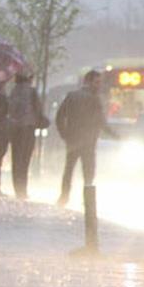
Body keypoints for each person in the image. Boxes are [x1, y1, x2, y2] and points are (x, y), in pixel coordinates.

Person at [55, 70, 117, 207]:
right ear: (88, 82)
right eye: (97, 82)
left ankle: (64, 197)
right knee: (88, 172)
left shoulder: (72, 96)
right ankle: (87, 200)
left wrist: (64, 134)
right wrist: (116, 136)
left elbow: (60, 116)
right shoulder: (94, 99)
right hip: (88, 142)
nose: (99, 85)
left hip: (73, 140)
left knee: (69, 169)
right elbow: (101, 121)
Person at [8, 72, 45, 199]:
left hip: (14, 128)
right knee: (25, 159)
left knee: (16, 158)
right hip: (28, 128)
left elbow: (10, 109)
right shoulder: (32, 91)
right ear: (29, 79)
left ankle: (17, 188)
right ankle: (22, 189)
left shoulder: (13, 91)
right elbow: (38, 110)